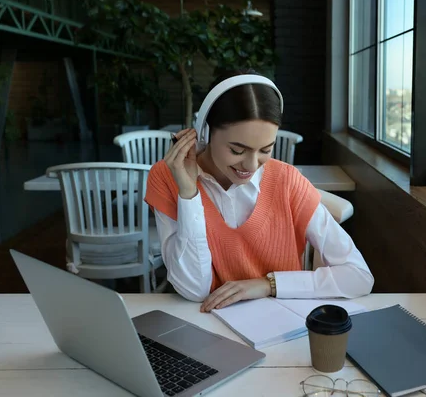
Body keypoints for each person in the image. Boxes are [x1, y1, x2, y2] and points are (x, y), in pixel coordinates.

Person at [145, 69, 373, 312]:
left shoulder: (287, 181)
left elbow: (359, 276)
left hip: (282, 327)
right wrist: (189, 194)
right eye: (237, 150)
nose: (251, 166)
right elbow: (194, 290)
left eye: (265, 150)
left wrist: (268, 284)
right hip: (208, 326)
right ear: (206, 132)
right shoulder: (168, 176)